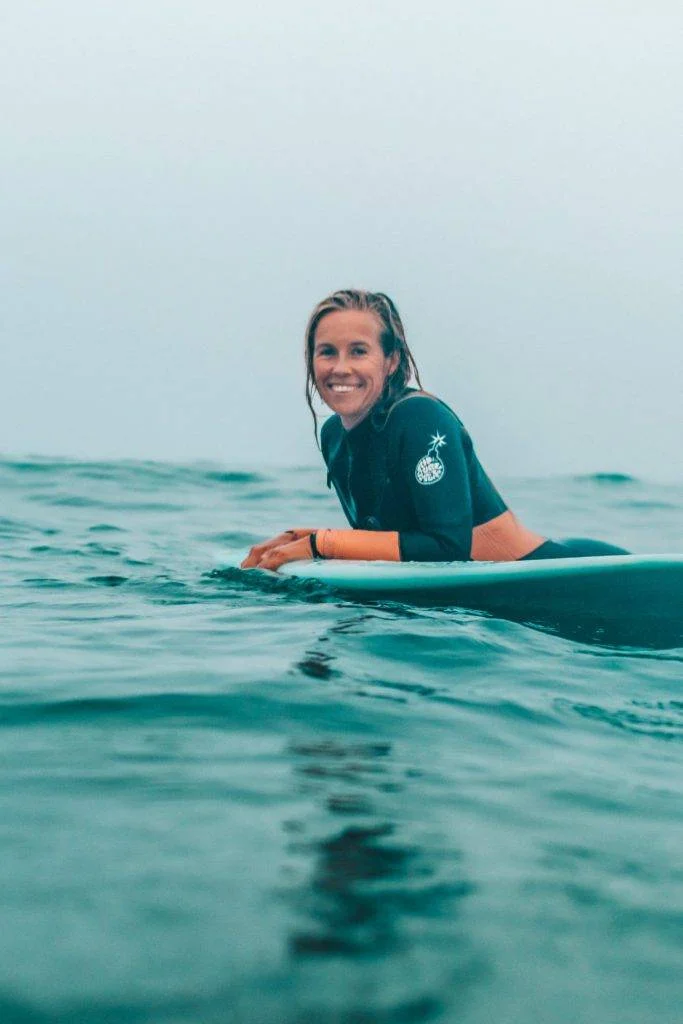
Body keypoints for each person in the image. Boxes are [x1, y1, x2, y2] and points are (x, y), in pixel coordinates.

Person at [242, 289, 627, 571]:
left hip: (561, 570)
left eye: (358, 351)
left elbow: (448, 546)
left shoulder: (420, 418)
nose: (340, 368)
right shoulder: (334, 437)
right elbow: (395, 537)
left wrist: (320, 544)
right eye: (327, 351)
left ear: (391, 360)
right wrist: (299, 537)